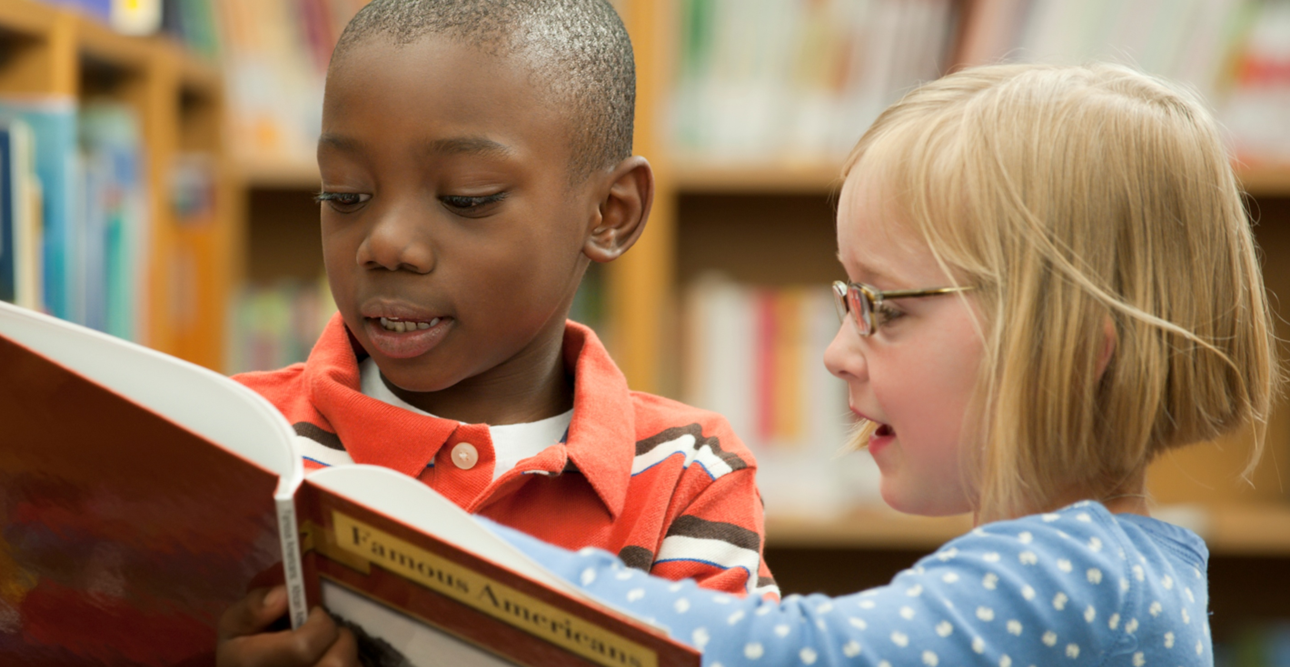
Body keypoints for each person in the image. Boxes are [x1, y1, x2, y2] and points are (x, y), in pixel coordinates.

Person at [486, 63, 1279, 666]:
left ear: (1069, 355)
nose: (834, 356)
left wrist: (457, 552)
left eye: (887, 309)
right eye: (846, 302)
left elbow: (798, 655)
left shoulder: (1071, 573)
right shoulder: (1119, 567)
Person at [217, 0, 775, 664]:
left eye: (466, 199)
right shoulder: (239, 441)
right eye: (345, 196)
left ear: (610, 213)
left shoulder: (684, 476)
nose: (384, 245)